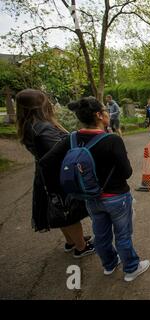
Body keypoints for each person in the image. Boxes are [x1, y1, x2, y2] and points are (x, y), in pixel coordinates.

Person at [40, 97, 150, 282]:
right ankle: (131, 268)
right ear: (99, 115)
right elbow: (127, 172)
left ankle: (109, 265)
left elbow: (46, 162)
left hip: (91, 198)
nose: (107, 113)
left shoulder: (72, 138)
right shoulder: (112, 139)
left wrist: (66, 184)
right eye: (105, 111)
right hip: (117, 198)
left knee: (101, 234)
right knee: (123, 235)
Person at [15, 89, 94, 258]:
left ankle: (72, 240)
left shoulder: (30, 125)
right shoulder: (43, 128)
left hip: (46, 173)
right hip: (58, 175)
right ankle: (81, 247)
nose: (50, 104)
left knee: (58, 209)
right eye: (46, 101)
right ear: (39, 107)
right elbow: (59, 153)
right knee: (68, 212)